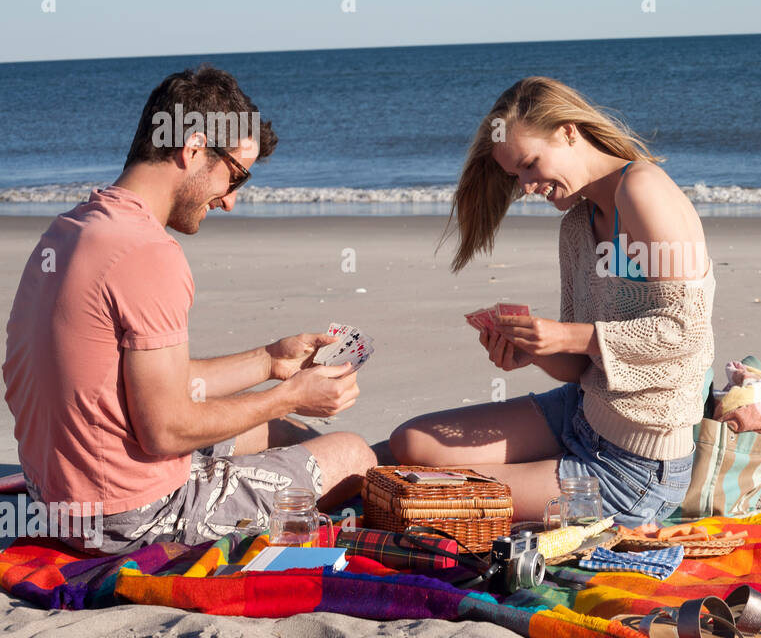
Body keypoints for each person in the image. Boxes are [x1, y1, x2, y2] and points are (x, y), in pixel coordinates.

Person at [2, 66, 376, 554]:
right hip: (128, 518)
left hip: (58, 496)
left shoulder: (70, 230)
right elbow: (165, 429)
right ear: (194, 148)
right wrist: (290, 396)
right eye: (236, 176)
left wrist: (270, 362)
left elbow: (151, 383)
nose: (231, 202)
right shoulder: (147, 253)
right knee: (354, 454)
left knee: (282, 432)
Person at [389, 76, 715, 526]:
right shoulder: (577, 226)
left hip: (633, 468)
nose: (525, 186)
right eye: (514, 176)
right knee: (410, 443)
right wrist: (536, 352)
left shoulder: (642, 190)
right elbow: (579, 366)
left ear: (567, 131)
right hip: (580, 413)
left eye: (529, 165)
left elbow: (686, 332)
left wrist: (565, 334)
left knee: (424, 496)